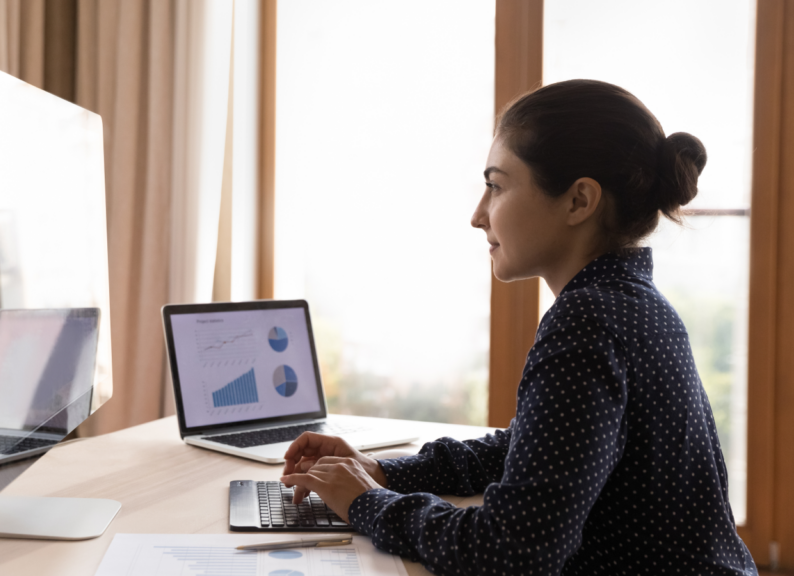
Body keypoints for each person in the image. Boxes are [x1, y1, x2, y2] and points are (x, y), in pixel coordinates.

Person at [279, 79, 757, 575]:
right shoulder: (635, 305)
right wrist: (381, 471)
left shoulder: (588, 321)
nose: (477, 215)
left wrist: (365, 501)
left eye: (497, 185)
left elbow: (511, 553)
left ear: (579, 201)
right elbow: (534, 448)